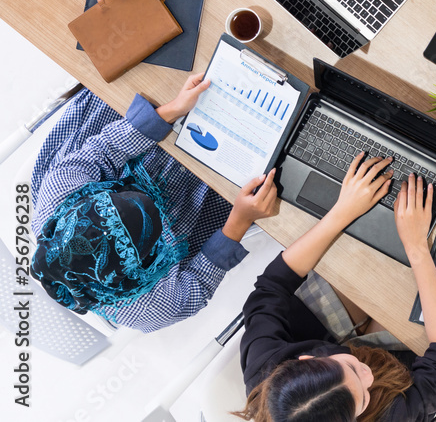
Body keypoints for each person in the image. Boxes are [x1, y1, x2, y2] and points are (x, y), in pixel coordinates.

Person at [29, 74, 281, 332]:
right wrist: (241, 217)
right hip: (191, 210)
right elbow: (199, 280)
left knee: (163, 81)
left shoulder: (59, 197)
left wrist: (173, 109)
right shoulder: (153, 308)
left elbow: (104, 149)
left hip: (127, 160)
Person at [237, 155, 436, 422]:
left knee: (362, 257)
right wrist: (416, 246)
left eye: (351, 368)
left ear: (306, 359)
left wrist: (342, 211)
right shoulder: (391, 417)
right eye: (363, 398)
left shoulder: (266, 373)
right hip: (395, 366)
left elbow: (273, 285)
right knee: (412, 281)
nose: (366, 374)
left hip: (313, 325)